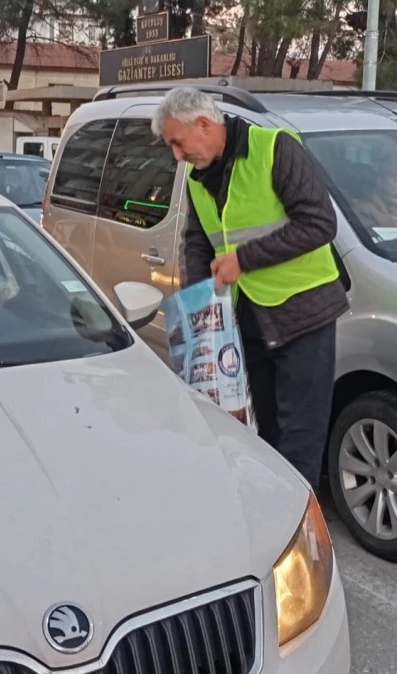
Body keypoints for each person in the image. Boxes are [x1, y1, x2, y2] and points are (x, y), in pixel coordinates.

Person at [153, 87, 348, 486]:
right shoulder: (197, 177)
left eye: (178, 142)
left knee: (300, 437)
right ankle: (270, 514)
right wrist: (200, 301)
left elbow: (320, 224)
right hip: (247, 322)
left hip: (302, 316)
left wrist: (243, 259)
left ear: (204, 124)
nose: (176, 155)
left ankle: (299, 533)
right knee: (261, 434)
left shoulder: (274, 149)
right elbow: (198, 240)